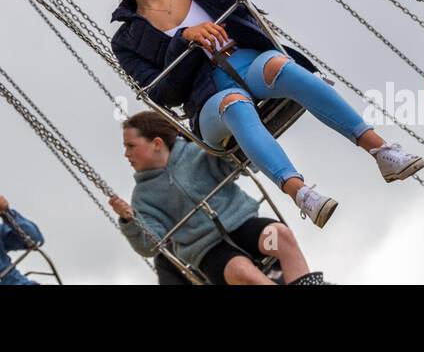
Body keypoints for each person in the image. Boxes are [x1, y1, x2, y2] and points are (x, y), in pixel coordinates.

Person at [103, 0, 424, 230]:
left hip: (244, 60)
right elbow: (163, 95)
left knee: (278, 64)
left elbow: (242, 12)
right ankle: (300, 192)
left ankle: (380, 150)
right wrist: (183, 39)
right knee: (235, 103)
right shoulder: (126, 39)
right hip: (207, 100)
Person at [111, 110, 326, 285]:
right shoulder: (143, 197)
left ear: (156, 143)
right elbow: (149, 246)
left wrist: (230, 139)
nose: (126, 154)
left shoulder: (197, 152)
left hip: (243, 226)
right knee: (243, 273)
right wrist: (130, 221)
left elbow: (234, 162)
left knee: (279, 235)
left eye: (131, 146)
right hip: (207, 252)